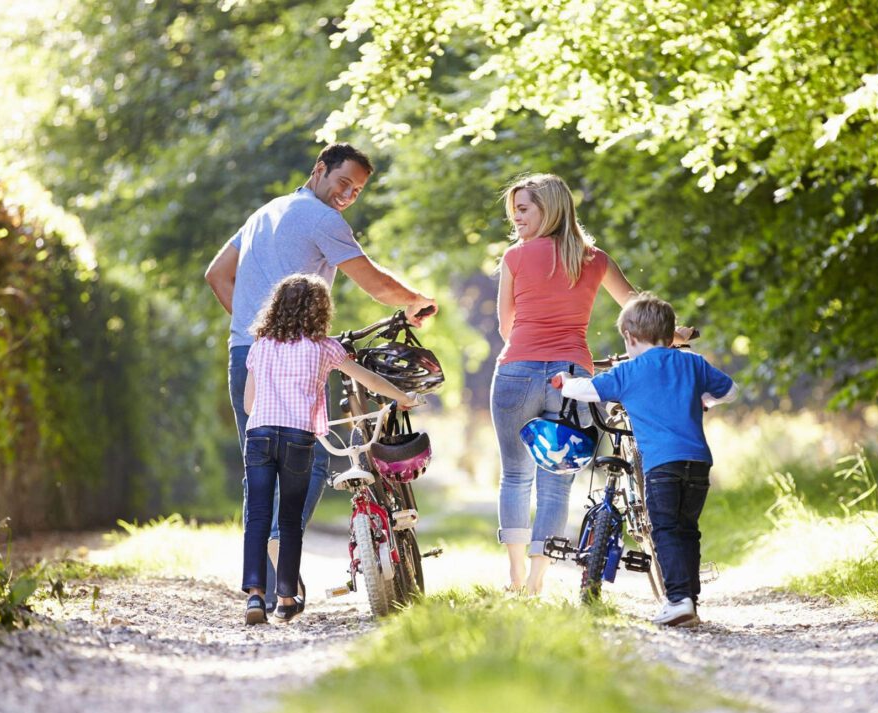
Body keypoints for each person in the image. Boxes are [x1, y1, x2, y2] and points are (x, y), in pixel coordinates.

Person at [205, 143, 436, 609]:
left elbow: (216, 275)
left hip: (246, 353)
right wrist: (415, 300)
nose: (347, 196)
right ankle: (277, 545)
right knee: (307, 459)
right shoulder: (322, 219)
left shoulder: (266, 212)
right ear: (319, 170)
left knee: (260, 464)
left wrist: (262, 330)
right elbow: (374, 283)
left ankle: (266, 592)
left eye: (357, 191)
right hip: (298, 359)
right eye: (343, 183)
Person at [491, 173, 642, 596]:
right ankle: (537, 579)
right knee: (557, 478)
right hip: (571, 378)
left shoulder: (515, 257)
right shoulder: (595, 260)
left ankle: (516, 577)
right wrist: (675, 332)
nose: (516, 218)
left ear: (550, 208)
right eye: (514, 210)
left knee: (515, 475)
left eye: (523, 209)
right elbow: (636, 307)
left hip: (515, 371)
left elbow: (506, 326)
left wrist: (530, 343)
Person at [241, 273, 423, 624]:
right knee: (290, 520)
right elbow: (367, 379)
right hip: (297, 437)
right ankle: (286, 597)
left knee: (258, 517)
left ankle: (253, 597)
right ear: (320, 310)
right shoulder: (324, 347)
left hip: (259, 435)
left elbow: (250, 404)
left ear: (276, 307)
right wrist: (404, 398)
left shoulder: (260, 344)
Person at [555, 293, 738, 627]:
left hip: (661, 466)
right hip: (697, 463)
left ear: (629, 337)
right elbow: (730, 390)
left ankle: (678, 599)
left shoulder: (630, 371)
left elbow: (590, 390)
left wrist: (565, 384)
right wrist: (704, 401)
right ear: (671, 336)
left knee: (665, 529)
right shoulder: (692, 363)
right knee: (687, 529)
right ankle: (689, 599)